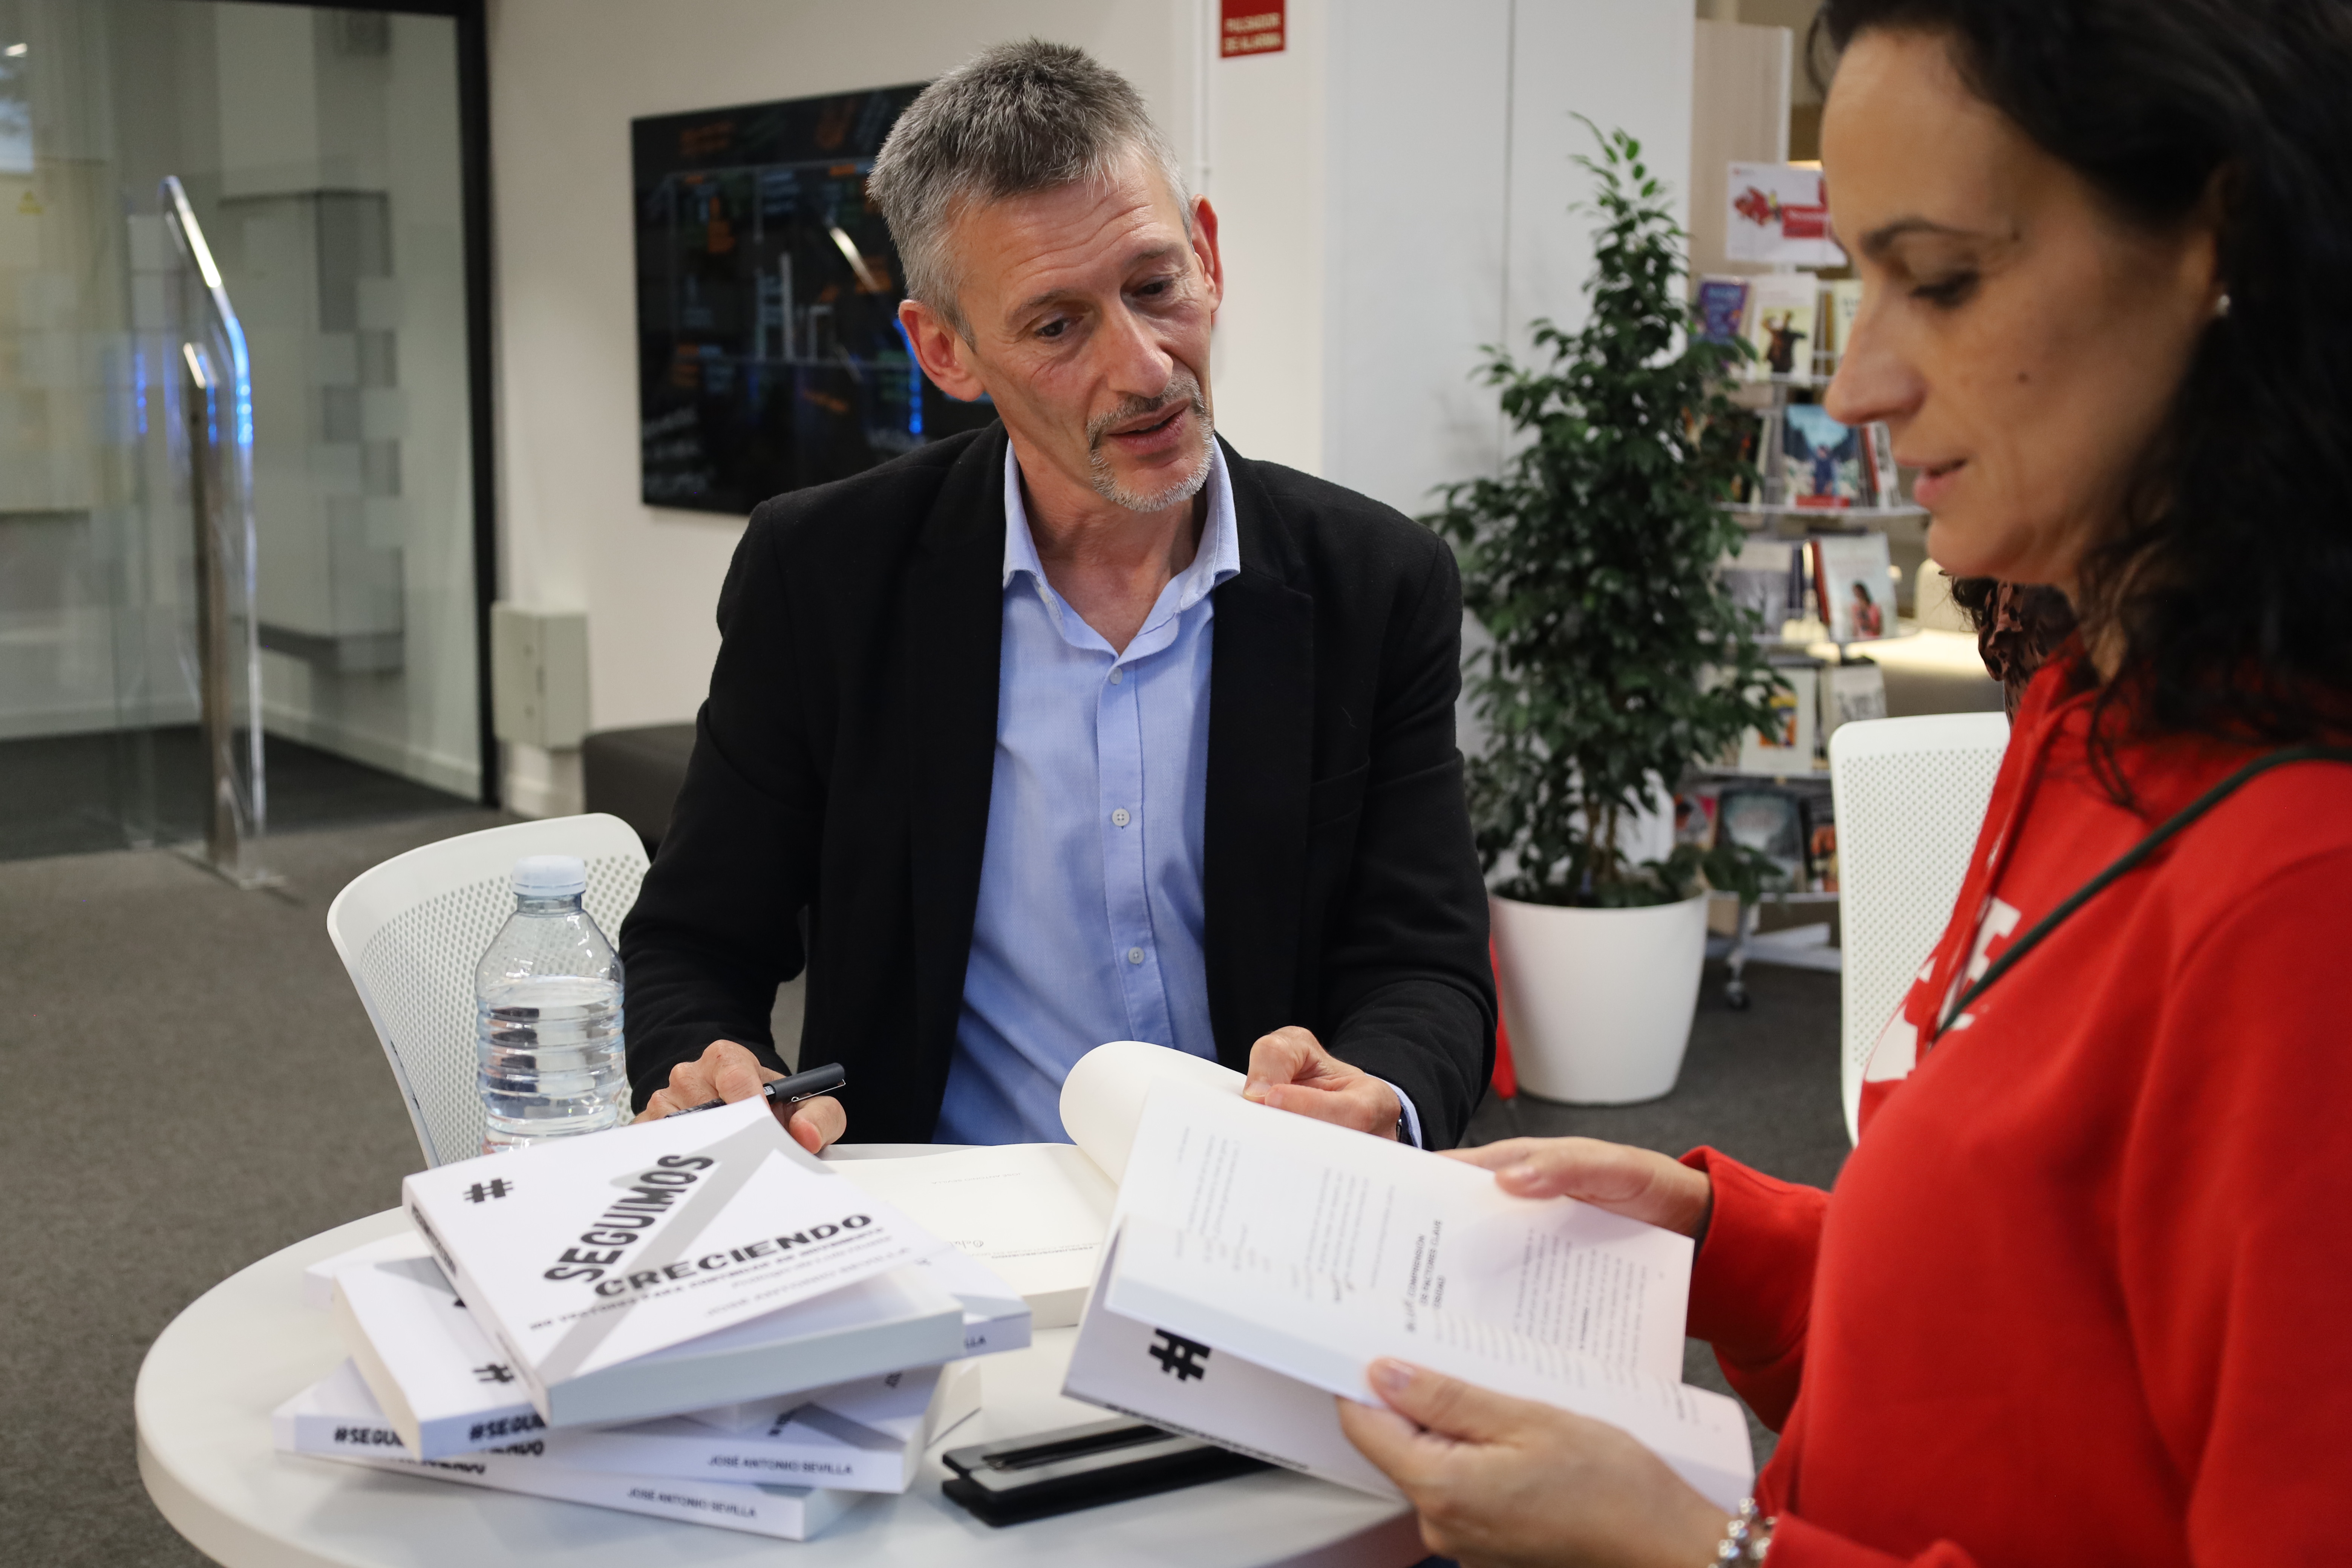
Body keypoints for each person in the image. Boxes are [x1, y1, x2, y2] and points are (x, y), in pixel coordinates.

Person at [1334, 1, 2352, 1562]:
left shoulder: (2299, 890)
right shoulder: (2087, 719)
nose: (1862, 381)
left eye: (1939, 281)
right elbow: (2025, 1351)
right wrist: (1725, 1240)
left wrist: (1699, 1548)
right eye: (1857, 279)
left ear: (2226, 243)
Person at [618, 42, 1494, 1153]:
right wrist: (718, 1074)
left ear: (1208, 255)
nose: (1143, 367)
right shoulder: (825, 576)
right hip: (940, 1221)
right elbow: (694, 943)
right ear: (945, 351)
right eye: (1057, 325)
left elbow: (1427, 965)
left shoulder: (1376, 580)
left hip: (1261, 1209)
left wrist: (1385, 1097)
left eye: (1154, 285)